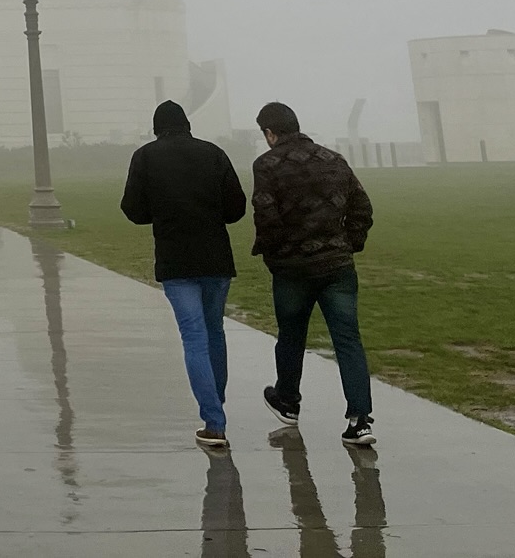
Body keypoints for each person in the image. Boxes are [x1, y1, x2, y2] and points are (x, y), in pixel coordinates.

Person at [120, 99, 248, 449]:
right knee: (214, 332)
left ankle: (214, 421)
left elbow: (133, 209)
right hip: (216, 257)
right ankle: (215, 406)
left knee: (193, 337)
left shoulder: (145, 157)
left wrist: (162, 211)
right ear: (188, 125)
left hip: (176, 259)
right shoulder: (214, 153)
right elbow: (236, 207)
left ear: (156, 128)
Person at [251, 101, 376, 447]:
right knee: (348, 340)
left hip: (292, 268)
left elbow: (266, 216)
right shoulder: (333, 160)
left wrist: (275, 257)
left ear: (270, 132)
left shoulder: (267, 165)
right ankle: (359, 419)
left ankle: (288, 400)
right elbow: (361, 207)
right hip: (336, 265)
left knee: (291, 335)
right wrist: (349, 244)